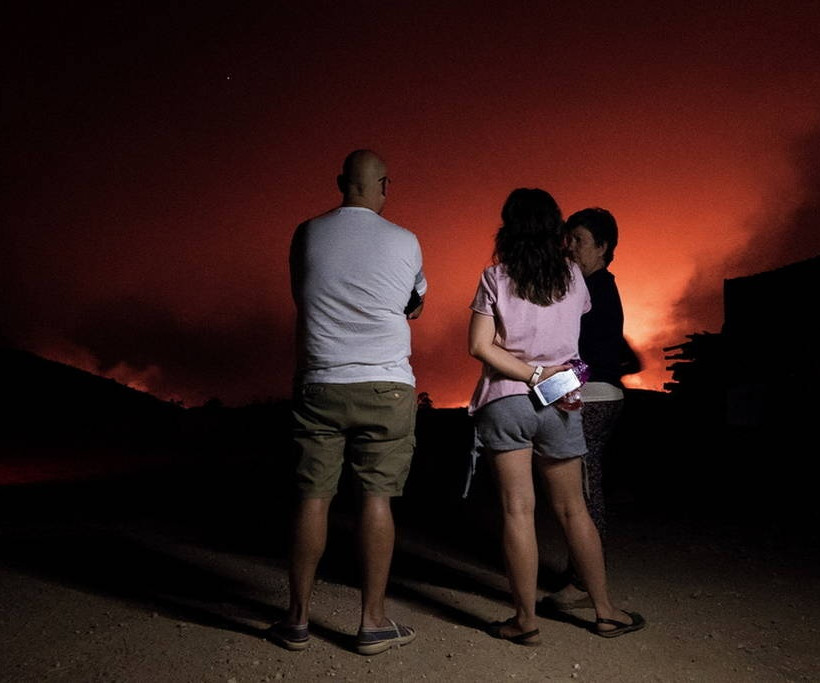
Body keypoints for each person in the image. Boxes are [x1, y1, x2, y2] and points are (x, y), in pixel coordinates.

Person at [467, 188, 645, 643]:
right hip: (561, 402)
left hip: (506, 399)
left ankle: (525, 621)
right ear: (555, 230)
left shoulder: (494, 277)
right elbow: (578, 327)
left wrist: (529, 373)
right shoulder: (573, 277)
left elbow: (479, 346)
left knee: (517, 510)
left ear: (508, 227)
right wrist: (550, 374)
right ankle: (605, 611)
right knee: (573, 509)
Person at [269, 149, 426, 655]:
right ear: (384, 184)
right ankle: (373, 623)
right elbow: (415, 304)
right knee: (376, 498)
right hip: (386, 385)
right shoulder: (406, 240)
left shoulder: (307, 233)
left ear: (341, 183)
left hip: (321, 381)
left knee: (312, 497)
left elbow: (304, 293)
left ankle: (296, 620)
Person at [541, 207, 641, 611]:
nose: (571, 248)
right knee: (582, 487)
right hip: (594, 392)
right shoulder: (590, 287)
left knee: (583, 490)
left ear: (603, 248)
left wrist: (547, 390)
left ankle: (584, 583)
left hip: (595, 397)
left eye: (579, 241)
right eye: (568, 239)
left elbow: (594, 359)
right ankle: (580, 574)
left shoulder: (598, 289)